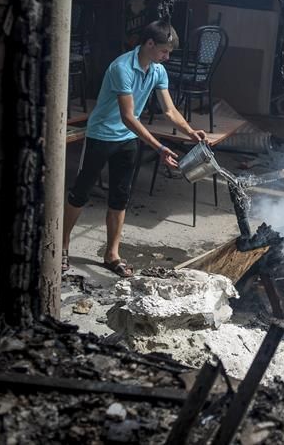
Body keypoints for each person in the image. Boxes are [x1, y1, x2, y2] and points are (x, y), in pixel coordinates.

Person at [61, 20, 207, 277]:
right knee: (80, 193)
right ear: (149, 44)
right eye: (164, 50)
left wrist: (190, 133)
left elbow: (170, 110)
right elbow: (128, 116)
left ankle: (112, 255)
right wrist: (159, 146)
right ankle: (61, 248)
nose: (167, 56)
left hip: (127, 140)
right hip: (102, 136)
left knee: (120, 197)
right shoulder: (121, 68)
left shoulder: (157, 70)